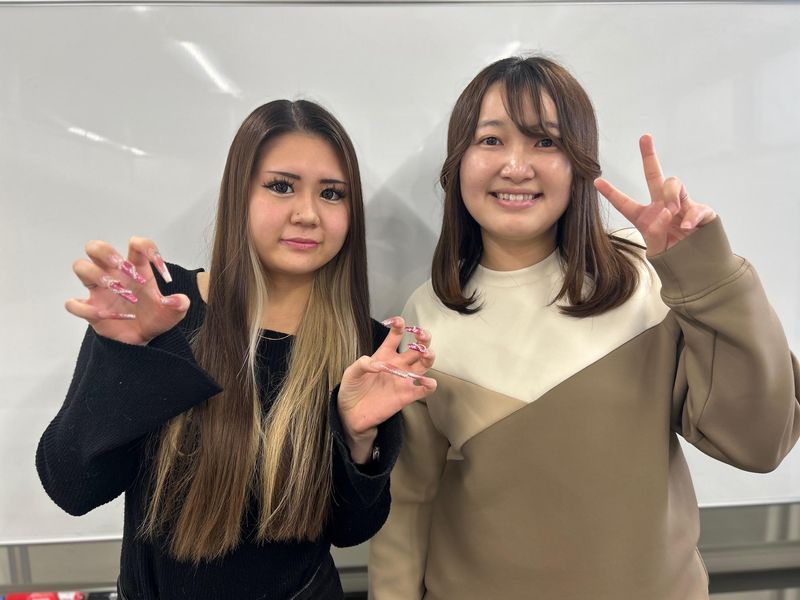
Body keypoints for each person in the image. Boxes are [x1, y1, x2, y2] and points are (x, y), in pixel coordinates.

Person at [368, 56, 800, 599]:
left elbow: (759, 443)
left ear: (578, 163)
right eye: (491, 140)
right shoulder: (423, 317)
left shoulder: (644, 278)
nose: (516, 167)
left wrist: (705, 270)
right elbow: (408, 503)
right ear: (457, 162)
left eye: (545, 142)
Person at [36, 99, 437, 600]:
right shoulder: (163, 306)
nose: (308, 214)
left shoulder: (367, 348)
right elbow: (71, 488)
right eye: (281, 186)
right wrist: (127, 355)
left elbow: (352, 530)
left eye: (332, 194)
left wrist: (357, 436)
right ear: (238, 194)